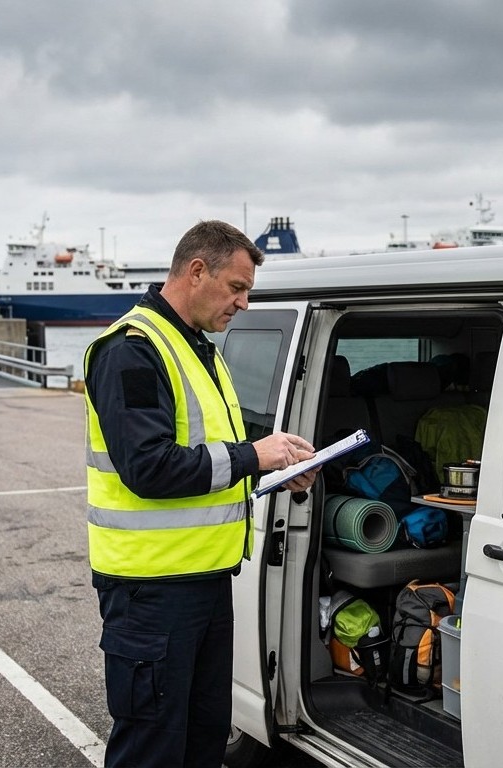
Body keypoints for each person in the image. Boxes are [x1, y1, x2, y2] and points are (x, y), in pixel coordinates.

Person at [83, 220, 319, 768]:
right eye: (237, 288)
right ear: (196, 271)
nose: (244, 304)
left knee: (204, 740)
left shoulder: (198, 348)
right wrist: (253, 456)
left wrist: (272, 471)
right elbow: (148, 468)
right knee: (152, 749)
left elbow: (208, 457)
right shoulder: (132, 350)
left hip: (205, 582)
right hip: (151, 591)